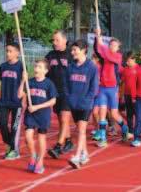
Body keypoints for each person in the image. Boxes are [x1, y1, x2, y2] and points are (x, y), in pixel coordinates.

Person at [66, 39, 99, 169]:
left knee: (81, 130)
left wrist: (87, 100)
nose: (72, 52)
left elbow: (94, 87)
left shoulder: (91, 67)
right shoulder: (70, 67)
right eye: (72, 50)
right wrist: (69, 98)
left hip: (85, 104)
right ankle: (85, 153)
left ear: (84, 50)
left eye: (75, 50)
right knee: (80, 130)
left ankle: (77, 156)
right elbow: (67, 85)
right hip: (73, 104)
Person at [21, 60, 57, 174]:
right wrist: (23, 80)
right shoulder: (29, 82)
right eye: (36, 66)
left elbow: (53, 101)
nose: (36, 68)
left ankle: (40, 161)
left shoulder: (49, 84)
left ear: (45, 71)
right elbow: (19, 95)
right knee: (27, 137)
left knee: (41, 138)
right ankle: (33, 156)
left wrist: (37, 107)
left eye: (40, 67)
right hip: (30, 114)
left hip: (43, 115)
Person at [94, 29, 128, 147]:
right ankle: (103, 138)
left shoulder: (118, 57)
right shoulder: (104, 54)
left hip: (113, 89)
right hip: (103, 88)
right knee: (102, 112)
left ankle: (124, 127)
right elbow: (98, 49)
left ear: (118, 47)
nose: (113, 46)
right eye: (111, 45)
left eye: (115, 45)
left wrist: (102, 43)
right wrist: (98, 36)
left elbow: (108, 55)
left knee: (114, 114)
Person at [46, 31, 75, 159]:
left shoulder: (71, 55)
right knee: (61, 120)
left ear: (64, 40)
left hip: (67, 92)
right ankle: (68, 141)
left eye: (57, 40)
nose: (54, 43)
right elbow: (44, 71)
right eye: (53, 40)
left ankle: (58, 146)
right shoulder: (50, 55)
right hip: (54, 92)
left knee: (64, 119)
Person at [0, 42, 25, 160]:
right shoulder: (3, 66)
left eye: (10, 51)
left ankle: (13, 150)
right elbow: (1, 80)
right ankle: (9, 143)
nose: (8, 53)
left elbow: (24, 85)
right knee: (2, 123)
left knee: (14, 127)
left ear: (17, 53)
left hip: (16, 102)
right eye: (7, 51)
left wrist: (24, 80)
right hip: (3, 101)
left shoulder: (21, 67)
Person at [120, 52, 138, 143]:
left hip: (136, 96)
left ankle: (138, 130)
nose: (127, 63)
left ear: (133, 59)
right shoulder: (125, 70)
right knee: (129, 114)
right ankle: (131, 131)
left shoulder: (138, 69)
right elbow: (122, 82)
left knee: (137, 114)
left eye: (128, 61)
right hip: (127, 95)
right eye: (126, 61)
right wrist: (122, 95)